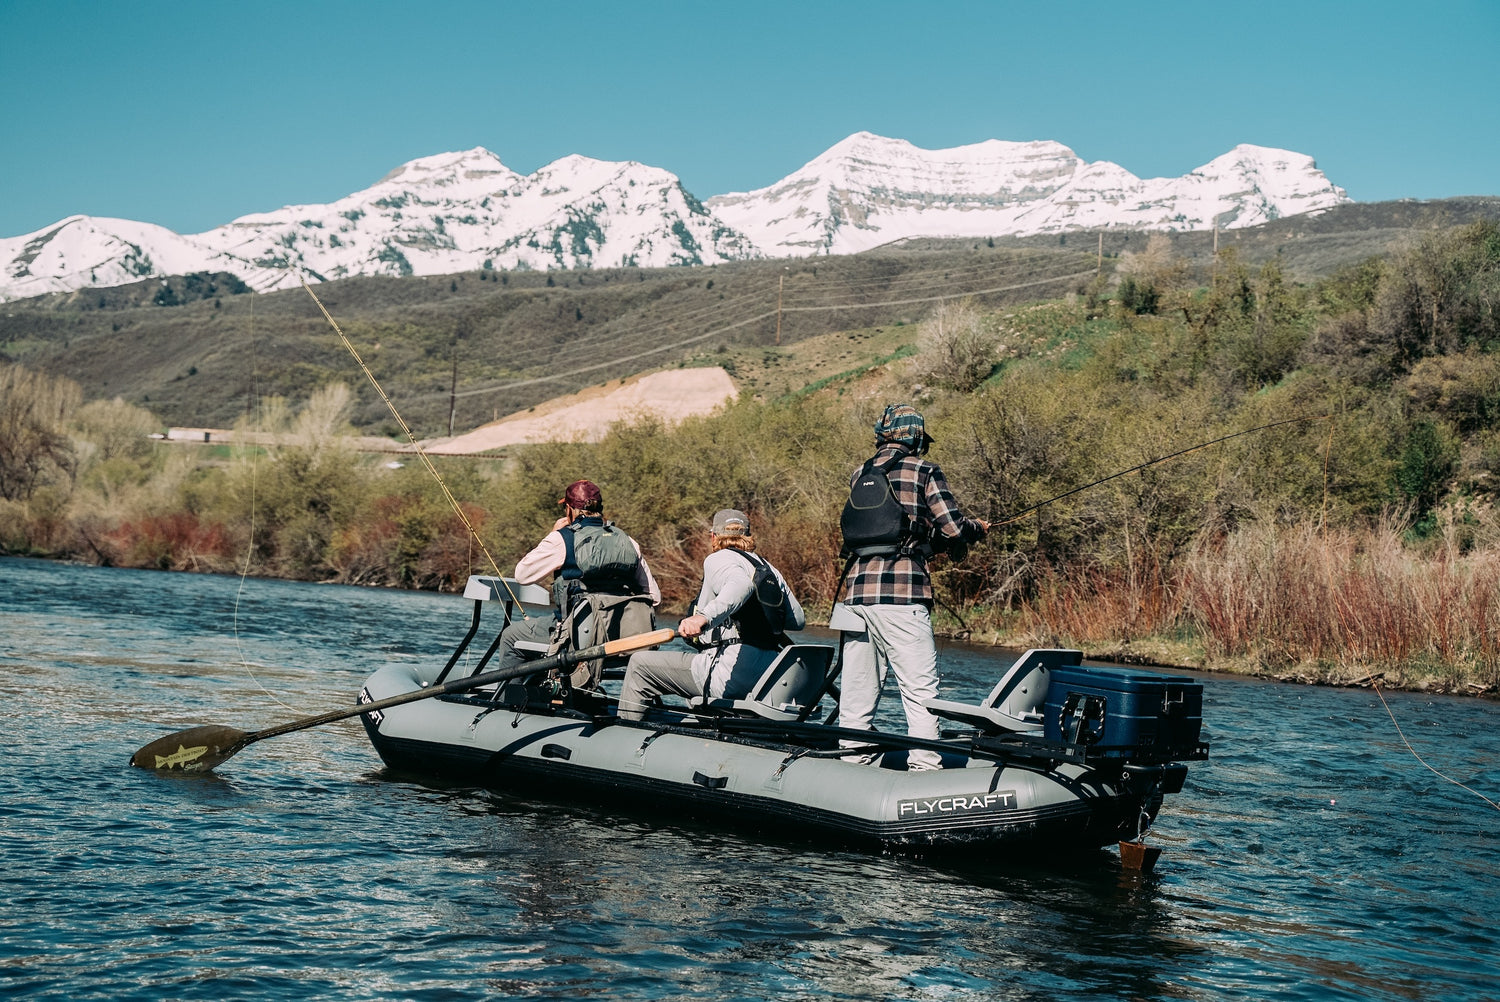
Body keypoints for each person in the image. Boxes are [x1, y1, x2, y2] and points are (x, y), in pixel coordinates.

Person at [833, 403, 988, 770]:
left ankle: (852, 764)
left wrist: (934, 542)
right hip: (903, 597)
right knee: (920, 692)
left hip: (856, 597)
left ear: (882, 436)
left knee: (856, 695)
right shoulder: (924, 470)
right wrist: (976, 529)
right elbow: (951, 526)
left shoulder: (860, 473)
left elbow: (895, 529)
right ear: (917, 438)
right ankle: (924, 768)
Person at [618, 508, 805, 721]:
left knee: (640, 664)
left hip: (730, 674)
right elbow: (797, 620)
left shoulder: (719, 558)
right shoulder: (767, 566)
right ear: (747, 536)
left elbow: (740, 585)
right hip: (769, 678)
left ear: (713, 536)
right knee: (695, 665)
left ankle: (625, 733)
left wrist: (703, 617)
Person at [495, 479, 660, 688]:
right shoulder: (628, 541)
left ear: (569, 509)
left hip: (575, 640)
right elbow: (654, 597)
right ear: (600, 508)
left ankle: (507, 701)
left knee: (511, 636)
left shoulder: (563, 539)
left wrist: (553, 534)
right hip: (621, 640)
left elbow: (522, 574)